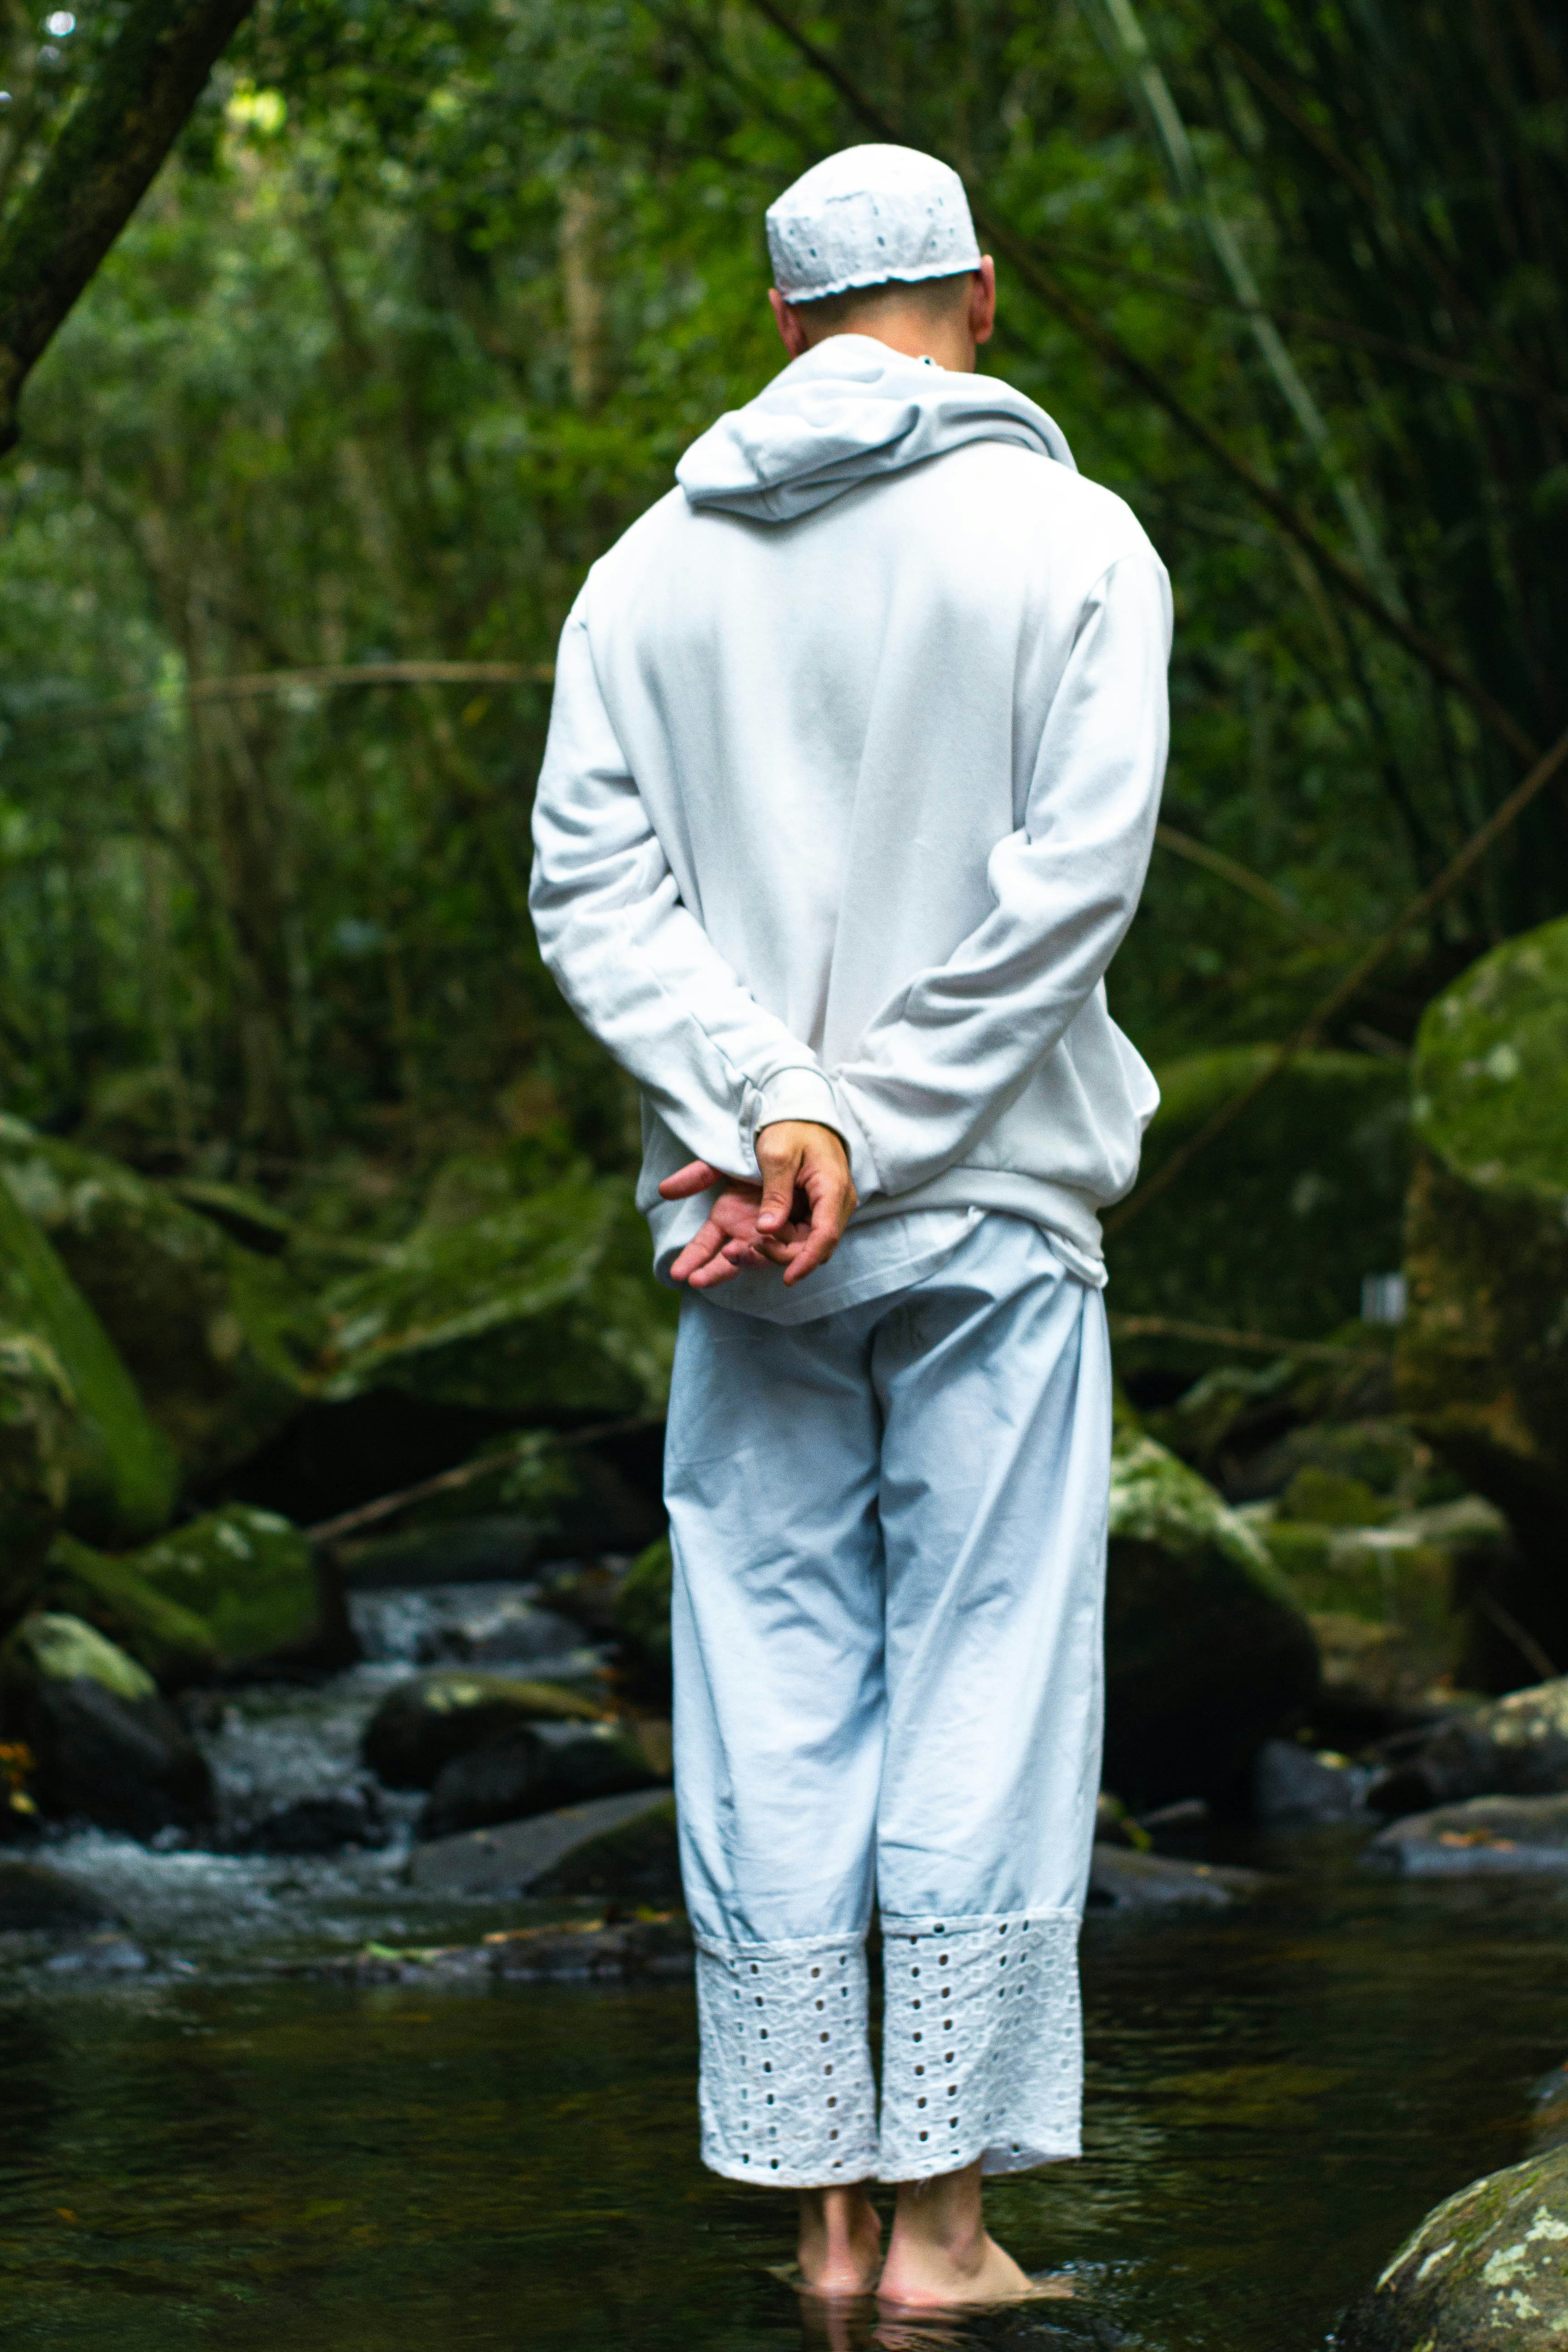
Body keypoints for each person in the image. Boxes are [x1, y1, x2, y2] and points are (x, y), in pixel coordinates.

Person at [529, 142, 1171, 2310]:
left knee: (773, 1681)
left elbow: (589, 897)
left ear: (786, 321)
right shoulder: (1075, 543)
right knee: (984, 1677)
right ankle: (946, 2238)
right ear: (981, 296)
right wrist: (873, 1121)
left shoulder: (640, 577)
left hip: (740, 1222)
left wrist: (769, 1109)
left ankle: (818, 2228)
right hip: (981, 1206)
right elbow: (1071, 894)